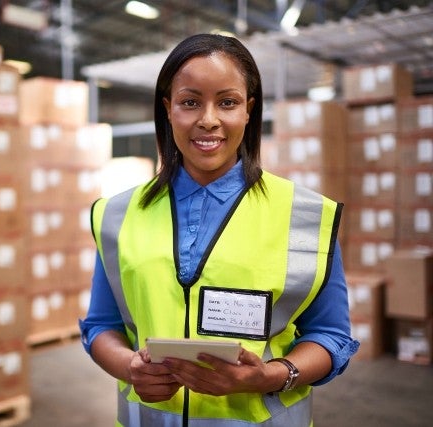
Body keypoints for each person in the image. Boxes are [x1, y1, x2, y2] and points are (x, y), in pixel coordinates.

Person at [79, 34, 360, 427]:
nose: (208, 119)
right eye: (190, 102)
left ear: (248, 110)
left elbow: (330, 336)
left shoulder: (306, 217)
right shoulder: (116, 215)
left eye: (227, 102)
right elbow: (101, 326)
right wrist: (130, 367)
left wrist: (270, 375)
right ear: (168, 109)